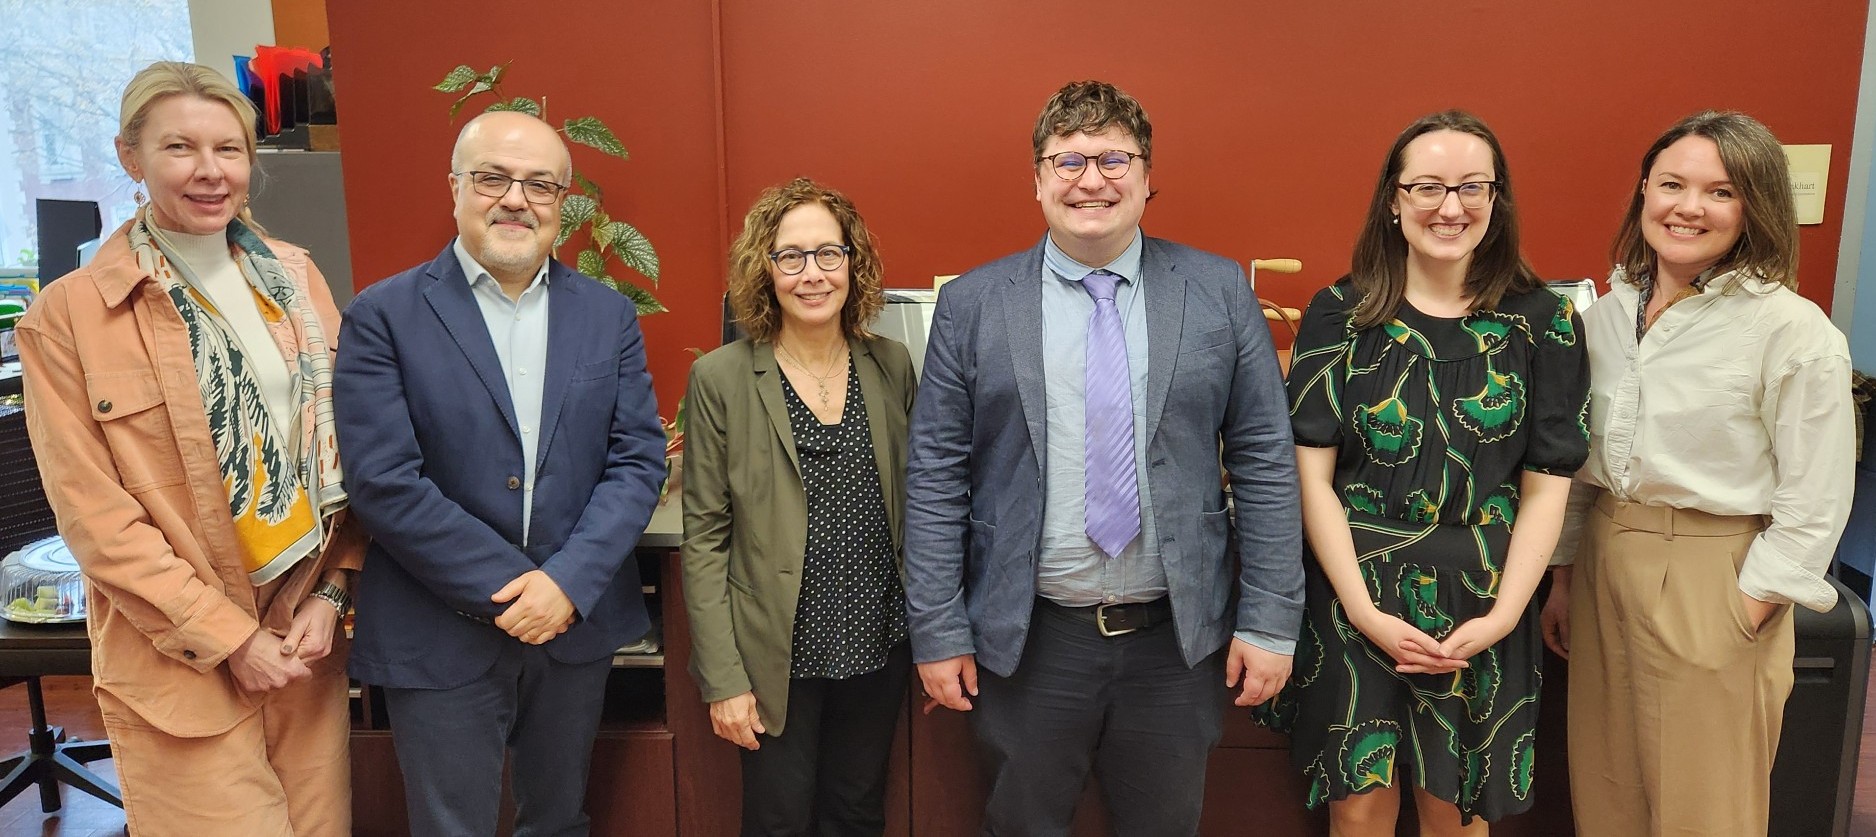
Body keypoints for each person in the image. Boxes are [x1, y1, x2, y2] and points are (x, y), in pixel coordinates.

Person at [902, 79, 1303, 835]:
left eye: (1115, 159)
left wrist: (1271, 619)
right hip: (1028, 643)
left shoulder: (1217, 292)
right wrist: (940, 628)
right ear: (1038, 180)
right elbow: (934, 476)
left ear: (1150, 178)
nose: (1092, 180)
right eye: (1070, 160)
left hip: (1175, 645)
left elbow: (1263, 460)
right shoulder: (975, 304)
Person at [17, 60, 362, 836]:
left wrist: (335, 590)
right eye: (180, 148)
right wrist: (230, 637)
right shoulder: (66, 316)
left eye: (229, 150)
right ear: (130, 156)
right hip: (178, 658)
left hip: (302, 642)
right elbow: (95, 518)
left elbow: (353, 454)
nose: (210, 172)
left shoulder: (296, 279)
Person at [332, 111, 668, 837]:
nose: (516, 198)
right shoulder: (382, 316)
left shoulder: (608, 316)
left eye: (540, 184)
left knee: (558, 820)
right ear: (455, 188)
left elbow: (637, 458)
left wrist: (566, 584)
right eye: (493, 177)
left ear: (562, 204)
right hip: (439, 626)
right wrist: (518, 589)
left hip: (571, 626)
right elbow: (383, 479)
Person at [1254, 111, 1588, 836]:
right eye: (1429, 186)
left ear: (1496, 201)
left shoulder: (1545, 321)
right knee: (1361, 808)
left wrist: (1503, 615)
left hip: (1486, 598)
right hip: (1354, 595)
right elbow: (1310, 480)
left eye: (1472, 187)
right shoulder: (1338, 315)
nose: (1451, 206)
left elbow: (1547, 488)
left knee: (1457, 810)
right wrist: (1366, 612)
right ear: (1393, 199)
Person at [1541, 111, 1855, 837]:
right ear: (1643, 194)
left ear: (1757, 205)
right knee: (1607, 788)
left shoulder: (1791, 330)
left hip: (1716, 571)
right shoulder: (1606, 317)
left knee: (1704, 809)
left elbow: (1816, 499)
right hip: (1605, 562)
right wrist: (1563, 575)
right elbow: (1584, 468)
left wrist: (1749, 603)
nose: (1688, 206)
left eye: (1720, 191)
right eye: (1671, 184)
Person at [681, 178, 916, 836]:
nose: (811, 273)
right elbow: (704, 539)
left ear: (853, 262)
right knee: (778, 820)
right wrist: (723, 678)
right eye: (791, 256)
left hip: (878, 642)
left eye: (828, 254)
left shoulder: (892, 364)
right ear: (767, 268)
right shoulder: (722, 378)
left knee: (857, 812)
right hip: (773, 653)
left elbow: (919, 505)